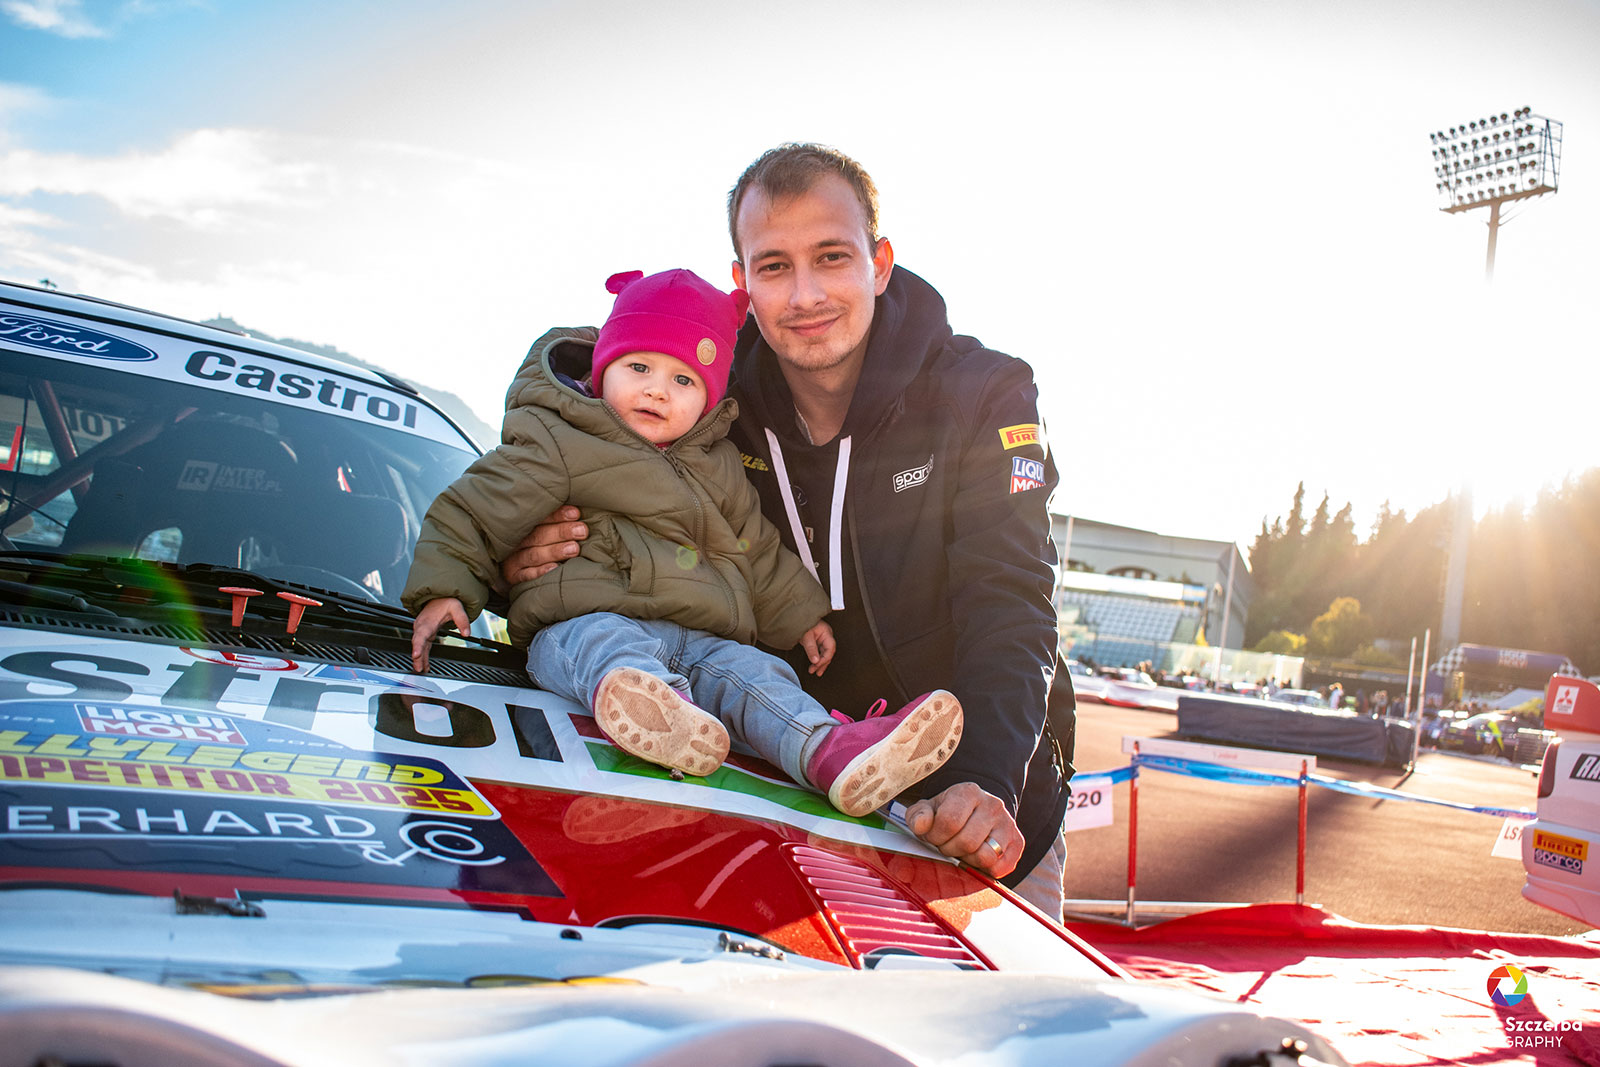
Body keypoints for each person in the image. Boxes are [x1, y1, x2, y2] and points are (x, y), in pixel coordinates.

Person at [503, 144, 1070, 919]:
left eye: (831, 257)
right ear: (741, 284)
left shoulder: (984, 392)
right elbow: (579, 410)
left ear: (879, 263)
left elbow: (1011, 599)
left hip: (983, 812)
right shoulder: (708, 390)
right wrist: (529, 546)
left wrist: (988, 777)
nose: (805, 295)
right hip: (785, 796)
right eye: (774, 266)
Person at [403, 267, 964, 818]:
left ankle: (827, 750)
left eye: (683, 380)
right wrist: (446, 588)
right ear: (603, 367)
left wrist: (799, 614)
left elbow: (755, 546)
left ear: (708, 399)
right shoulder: (559, 438)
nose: (656, 389)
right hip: (585, 618)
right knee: (598, 644)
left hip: (702, 640)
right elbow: (476, 508)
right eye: (638, 366)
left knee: (756, 676)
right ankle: (653, 709)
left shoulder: (717, 462)